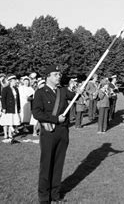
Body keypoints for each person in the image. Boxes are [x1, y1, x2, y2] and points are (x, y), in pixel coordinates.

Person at [32, 65, 75, 204]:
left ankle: (55, 194)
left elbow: (74, 97)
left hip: (63, 131)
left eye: (59, 74)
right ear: (48, 76)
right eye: (56, 74)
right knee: (46, 164)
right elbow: (37, 113)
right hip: (49, 131)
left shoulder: (62, 90)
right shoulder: (40, 92)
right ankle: (44, 198)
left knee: (58, 164)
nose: (59, 76)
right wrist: (55, 119)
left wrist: (79, 91)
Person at [0, 75, 21, 142]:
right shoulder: (5, 89)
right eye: (14, 81)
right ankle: (5, 134)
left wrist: (19, 107)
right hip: (7, 107)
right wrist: (4, 107)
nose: (15, 82)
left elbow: (18, 99)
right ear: (10, 81)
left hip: (14, 107)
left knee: (11, 121)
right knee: (6, 121)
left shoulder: (16, 89)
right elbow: (3, 99)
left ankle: (10, 134)